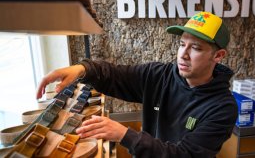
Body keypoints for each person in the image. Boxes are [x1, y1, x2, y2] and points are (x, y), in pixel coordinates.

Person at [37, 11, 238, 157]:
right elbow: (115, 75)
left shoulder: (222, 108)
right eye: (181, 44)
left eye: (195, 48)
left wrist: (124, 134)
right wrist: (81, 69)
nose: (183, 55)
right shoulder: (160, 75)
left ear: (218, 55)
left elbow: (184, 155)